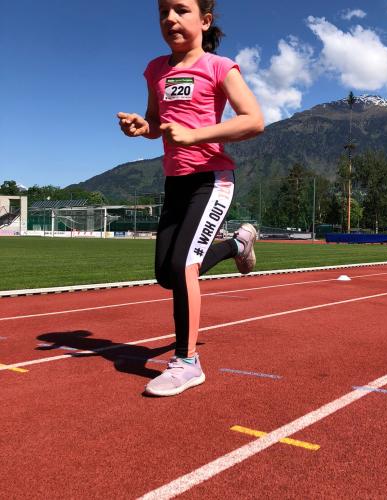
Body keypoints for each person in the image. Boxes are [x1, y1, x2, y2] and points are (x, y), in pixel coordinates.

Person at [117, 0, 264, 396]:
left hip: (212, 178)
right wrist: (141, 127)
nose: (170, 19)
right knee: (167, 274)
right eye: (163, 11)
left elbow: (254, 119)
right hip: (175, 182)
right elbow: (155, 124)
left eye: (181, 9)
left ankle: (187, 362)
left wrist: (197, 135)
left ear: (205, 19)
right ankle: (237, 243)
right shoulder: (155, 70)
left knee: (184, 265)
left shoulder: (219, 66)